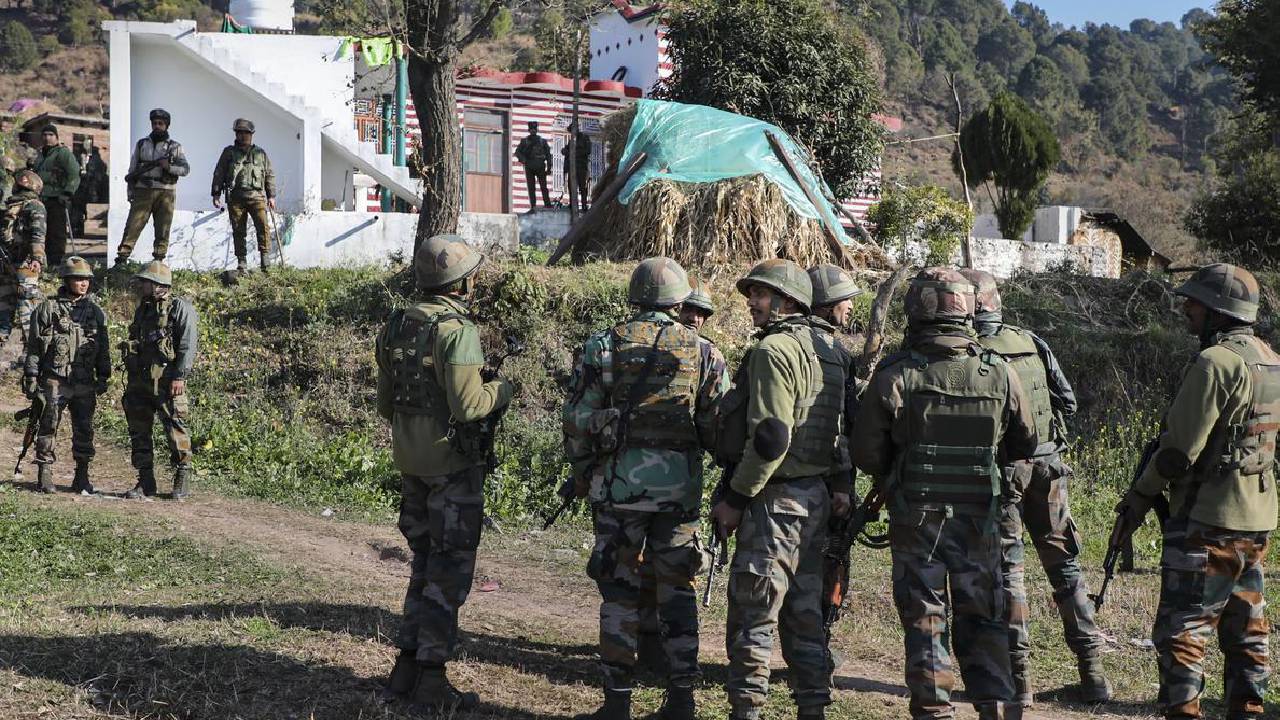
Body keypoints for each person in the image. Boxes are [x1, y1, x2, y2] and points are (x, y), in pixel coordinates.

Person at [852, 266, 1038, 720]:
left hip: (918, 520)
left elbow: (867, 455)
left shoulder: (897, 376)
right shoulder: (1000, 373)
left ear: (916, 312)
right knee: (985, 616)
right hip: (980, 518)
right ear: (968, 312)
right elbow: (1025, 443)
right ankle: (994, 707)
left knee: (925, 617)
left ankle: (934, 711)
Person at [564, 257, 729, 720]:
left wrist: (587, 463)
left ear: (634, 296)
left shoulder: (603, 345)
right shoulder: (705, 352)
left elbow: (575, 418)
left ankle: (616, 704)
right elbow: (719, 429)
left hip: (617, 491)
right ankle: (681, 701)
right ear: (680, 301)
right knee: (678, 591)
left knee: (619, 593)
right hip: (679, 495)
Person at [1115, 263, 1278, 720]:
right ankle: (1247, 708)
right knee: (1247, 627)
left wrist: (1141, 495)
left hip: (1207, 519)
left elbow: (1177, 452)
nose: (1186, 308)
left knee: (1183, 630)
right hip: (1257, 518)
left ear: (1218, 311)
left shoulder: (1215, 362)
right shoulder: (1270, 359)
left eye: (1195, 302)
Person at [374, 234, 513, 714]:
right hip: (451, 468)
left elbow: (385, 403)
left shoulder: (396, 324)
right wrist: (504, 389)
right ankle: (432, 681)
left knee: (422, 565)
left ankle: (406, 667)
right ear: (462, 282)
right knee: (447, 574)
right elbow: (470, 405)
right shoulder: (457, 331)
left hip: (410, 462)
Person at [960, 268, 1111, 707]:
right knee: (1065, 566)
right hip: (1049, 466)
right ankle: (1094, 675)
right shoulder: (1031, 341)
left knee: (1009, 573)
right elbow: (1068, 401)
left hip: (1004, 473)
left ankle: (1019, 684)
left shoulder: (971, 352)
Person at [709, 259, 847, 720]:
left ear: (788, 301)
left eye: (760, 295)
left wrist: (735, 498)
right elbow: (840, 433)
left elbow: (770, 439)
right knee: (804, 615)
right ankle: (813, 709)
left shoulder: (775, 350)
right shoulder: (830, 350)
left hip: (775, 501)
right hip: (815, 498)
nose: (751, 303)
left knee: (754, 612)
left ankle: (746, 711)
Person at [22, 256, 110, 495]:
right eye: (78, 279)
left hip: (84, 381)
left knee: (84, 429)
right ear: (67, 280)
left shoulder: (95, 312)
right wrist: (31, 375)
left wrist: (104, 375)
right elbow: (34, 346)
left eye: (86, 280)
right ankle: (44, 473)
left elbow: (103, 347)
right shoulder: (47, 308)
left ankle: (82, 476)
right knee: (48, 425)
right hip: (54, 379)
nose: (83, 284)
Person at [120, 261, 198, 500]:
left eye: (146, 282)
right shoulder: (144, 308)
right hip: (141, 379)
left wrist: (179, 377)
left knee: (175, 428)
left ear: (157, 284)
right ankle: (145, 481)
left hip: (167, 379)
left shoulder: (180, 308)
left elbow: (187, 345)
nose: (142, 286)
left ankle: (182, 476)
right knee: (139, 429)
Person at [116, 108, 191, 267]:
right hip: (143, 190)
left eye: (161, 123)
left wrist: (169, 167)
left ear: (166, 126)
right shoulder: (142, 144)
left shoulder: (175, 146)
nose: (157, 126)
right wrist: (130, 191)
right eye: (154, 123)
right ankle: (122, 259)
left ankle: (158, 260)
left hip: (166, 192)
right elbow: (132, 170)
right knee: (133, 226)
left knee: (163, 228)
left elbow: (185, 169)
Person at [211, 118, 276, 273]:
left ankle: (265, 261)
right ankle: (242, 262)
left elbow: (269, 174)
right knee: (239, 230)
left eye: (245, 133)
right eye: (239, 132)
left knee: (263, 228)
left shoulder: (260, 153)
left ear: (251, 134)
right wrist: (216, 193)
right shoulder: (229, 152)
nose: (242, 136)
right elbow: (219, 172)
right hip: (236, 198)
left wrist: (271, 196)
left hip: (257, 197)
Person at [0, 170, 46, 342]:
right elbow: (37, 234)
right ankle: (32, 354)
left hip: (5, 264)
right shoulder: (35, 205)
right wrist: (38, 258)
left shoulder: (8, 206)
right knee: (28, 311)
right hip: (25, 266)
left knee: (3, 310)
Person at [31, 124, 79, 267]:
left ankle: (56, 263)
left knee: (56, 232)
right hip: (40, 199)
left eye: (50, 135)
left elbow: (74, 174)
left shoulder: (63, 153)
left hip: (57, 198)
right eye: (44, 135)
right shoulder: (40, 155)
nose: (47, 138)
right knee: (40, 230)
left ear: (56, 137)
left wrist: (67, 193)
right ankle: (41, 262)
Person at [514, 121, 552, 211]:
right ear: (529, 130)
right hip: (529, 166)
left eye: (534, 129)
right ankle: (533, 205)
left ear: (536, 130)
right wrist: (524, 160)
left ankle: (547, 204)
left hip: (540, 165)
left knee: (543, 187)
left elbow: (548, 155)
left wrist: (549, 167)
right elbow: (517, 152)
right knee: (531, 188)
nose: (533, 131)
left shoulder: (542, 141)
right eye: (531, 129)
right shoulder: (525, 141)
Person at [561, 123, 592, 211]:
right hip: (572, 167)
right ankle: (572, 205)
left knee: (583, 187)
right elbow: (565, 150)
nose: (573, 132)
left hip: (581, 166)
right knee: (572, 187)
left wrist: (574, 153)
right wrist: (565, 151)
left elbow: (588, 150)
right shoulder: (571, 141)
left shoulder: (585, 138)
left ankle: (584, 205)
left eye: (573, 130)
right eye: (571, 131)